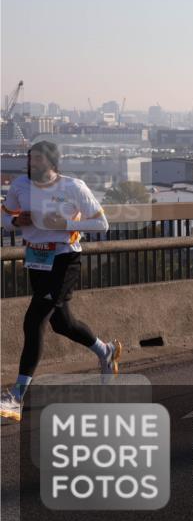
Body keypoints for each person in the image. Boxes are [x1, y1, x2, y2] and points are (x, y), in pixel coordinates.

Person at [0, 141, 121, 422]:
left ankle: (17, 396)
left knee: (34, 320)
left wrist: (64, 225)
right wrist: (17, 222)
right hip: (36, 260)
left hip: (64, 260)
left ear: (53, 163)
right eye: (30, 160)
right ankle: (106, 351)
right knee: (62, 323)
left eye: (39, 160)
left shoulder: (73, 187)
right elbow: (4, 219)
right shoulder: (20, 186)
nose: (32, 165)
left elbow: (101, 223)